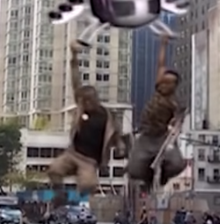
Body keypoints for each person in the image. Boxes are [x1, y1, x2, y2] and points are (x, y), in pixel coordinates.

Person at [46, 42, 125, 214]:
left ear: (96, 99)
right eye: (84, 101)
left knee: (88, 185)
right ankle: (59, 195)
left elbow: (117, 134)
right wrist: (74, 56)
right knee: (54, 170)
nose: (87, 104)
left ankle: (76, 200)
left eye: (90, 101)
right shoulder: (81, 108)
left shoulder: (107, 116)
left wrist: (120, 146)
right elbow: (76, 81)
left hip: (90, 161)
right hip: (73, 154)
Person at [126, 34, 187, 187]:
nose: (164, 85)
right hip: (145, 136)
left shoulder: (174, 102)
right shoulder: (157, 90)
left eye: (168, 83)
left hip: (161, 138)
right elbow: (161, 64)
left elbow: (178, 121)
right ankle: (147, 178)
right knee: (133, 170)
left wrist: (176, 123)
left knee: (178, 165)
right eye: (163, 82)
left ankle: (163, 176)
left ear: (175, 86)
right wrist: (163, 44)